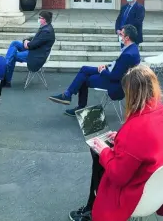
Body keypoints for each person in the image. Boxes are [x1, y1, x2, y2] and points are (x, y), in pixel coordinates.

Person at [68, 65, 163, 221]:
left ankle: (91, 211)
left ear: (131, 94)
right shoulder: (159, 111)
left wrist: (105, 150)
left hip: (138, 194)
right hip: (157, 187)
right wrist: (120, 137)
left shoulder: (135, 129)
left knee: (98, 157)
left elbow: (118, 175)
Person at [48, 24, 141, 116]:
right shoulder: (133, 49)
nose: (119, 36)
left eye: (121, 34)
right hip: (112, 73)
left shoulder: (127, 54)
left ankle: (74, 102)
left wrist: (102, 71)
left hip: (116, 84)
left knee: (83, 79)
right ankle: (68, 95)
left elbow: (115, 76)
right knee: (84, 69)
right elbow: (119, 65)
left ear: (127, 38)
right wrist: (106, 66)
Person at [3, 11, 55, 86]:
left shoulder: (47, 32)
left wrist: (27, 43)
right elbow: (33, 39)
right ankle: (7, 62)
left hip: (36, 55)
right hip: (34, 49)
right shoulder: (44, 27)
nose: (38, 19)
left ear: (44, 19)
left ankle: (7, 81)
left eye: (40, 18)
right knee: (14, 43)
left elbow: (32, 45)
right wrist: (26, 41)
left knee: (13, 56)